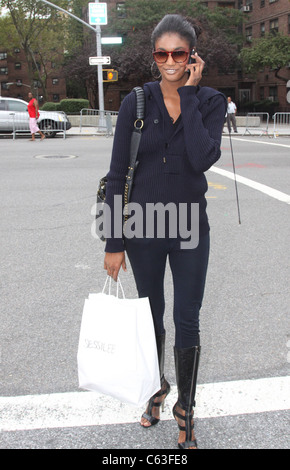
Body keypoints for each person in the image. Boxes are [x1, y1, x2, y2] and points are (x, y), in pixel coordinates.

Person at [103, 14, 227, 449]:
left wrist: (190, 94)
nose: (170, 61)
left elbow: (200, 158)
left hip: (191, 227)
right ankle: (157, 388)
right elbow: (117, 175)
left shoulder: (210, 102)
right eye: (162, 53)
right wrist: (113, 241)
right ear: (153, 55)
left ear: (192, 55)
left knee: (186, 318)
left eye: (179, 53)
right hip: (143, 229)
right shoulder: (135, 102)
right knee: (150, 316)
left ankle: (185, 409)